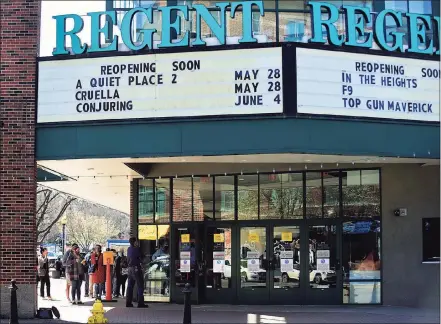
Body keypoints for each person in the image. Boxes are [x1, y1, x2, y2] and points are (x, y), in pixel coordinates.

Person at [126, 237, 148, 308]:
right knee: (140, 285)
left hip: (129, 269)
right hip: (136, 268)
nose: (137, 243)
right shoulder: (137, 249)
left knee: (130, 286)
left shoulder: (129, 249)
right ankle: (140, 303)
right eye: (137, 242)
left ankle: (128, 302)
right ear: (134, 242)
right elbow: (142, 258)